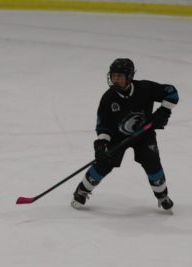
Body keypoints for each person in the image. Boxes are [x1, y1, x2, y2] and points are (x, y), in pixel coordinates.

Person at [71, 58, 179, 211]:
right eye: (113, 75)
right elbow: (104, 123)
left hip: (144, 134)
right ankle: (82, 190)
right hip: (118, 136)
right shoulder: (108, 98)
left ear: (129, 77)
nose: (115, 79)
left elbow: (171, 92)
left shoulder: (145, 88)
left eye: (119, 76)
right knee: (104, 162)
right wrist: (102, 141)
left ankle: (162, 196)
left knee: (152, 161)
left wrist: (164, 111)